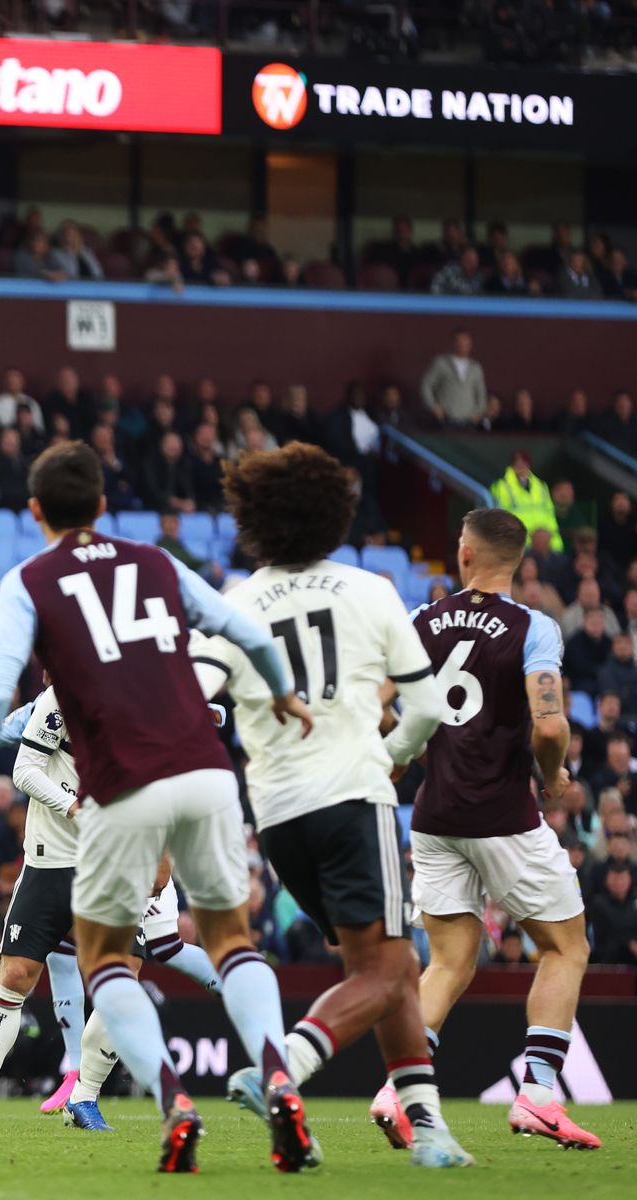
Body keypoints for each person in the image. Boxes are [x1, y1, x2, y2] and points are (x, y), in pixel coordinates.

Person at [0, 442, 315, 1175]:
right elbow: (243, 632)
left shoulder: (31, 582)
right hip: (201, 770)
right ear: (106, 507)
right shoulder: (157, 565)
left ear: (36, 511)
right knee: (231, 942)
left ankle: (172, 1100)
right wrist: (281, 691)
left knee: (111, 965)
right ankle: (277, 1072)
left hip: (124, 795)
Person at [194, 445, 470, 1168]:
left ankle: (430, 1132)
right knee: (386, 971)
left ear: (254, 521)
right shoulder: (371, 590)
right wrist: (390, 756)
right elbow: (429, 706)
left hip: (279, 815)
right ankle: (280, 1068)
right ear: (334, 511)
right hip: (352, 797)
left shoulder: (236, 602)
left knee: (388, 971)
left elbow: (191, 699)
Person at [377, 508, 600, 1151]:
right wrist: (551, 777)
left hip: (435, 813)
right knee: (566, 947)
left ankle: (398, 1091)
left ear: (465, 555)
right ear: (519, 562)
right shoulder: (534, 627)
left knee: (447, 961)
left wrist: (414, 760)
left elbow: (388, 701)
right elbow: (551, 725)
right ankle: (536, 1094)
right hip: (502, 815)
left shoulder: (422, 621)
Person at [0, 691, 224, 1135]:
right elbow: (24, 770)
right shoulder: (63, 695)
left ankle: (84, 1097)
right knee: (14, 977)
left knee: (121, 980)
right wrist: (74, 808)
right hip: (50, 862)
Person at [489, 450, 561, 550]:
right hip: (519, 545)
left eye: (523, 462)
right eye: (517, 463)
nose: (521, 466)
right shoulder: (501, 487)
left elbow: (550, 515)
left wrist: (555, 543)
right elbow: (498, 518)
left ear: (528, 465)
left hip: (545, 544)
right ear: (512, 465)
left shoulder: (541, 486)